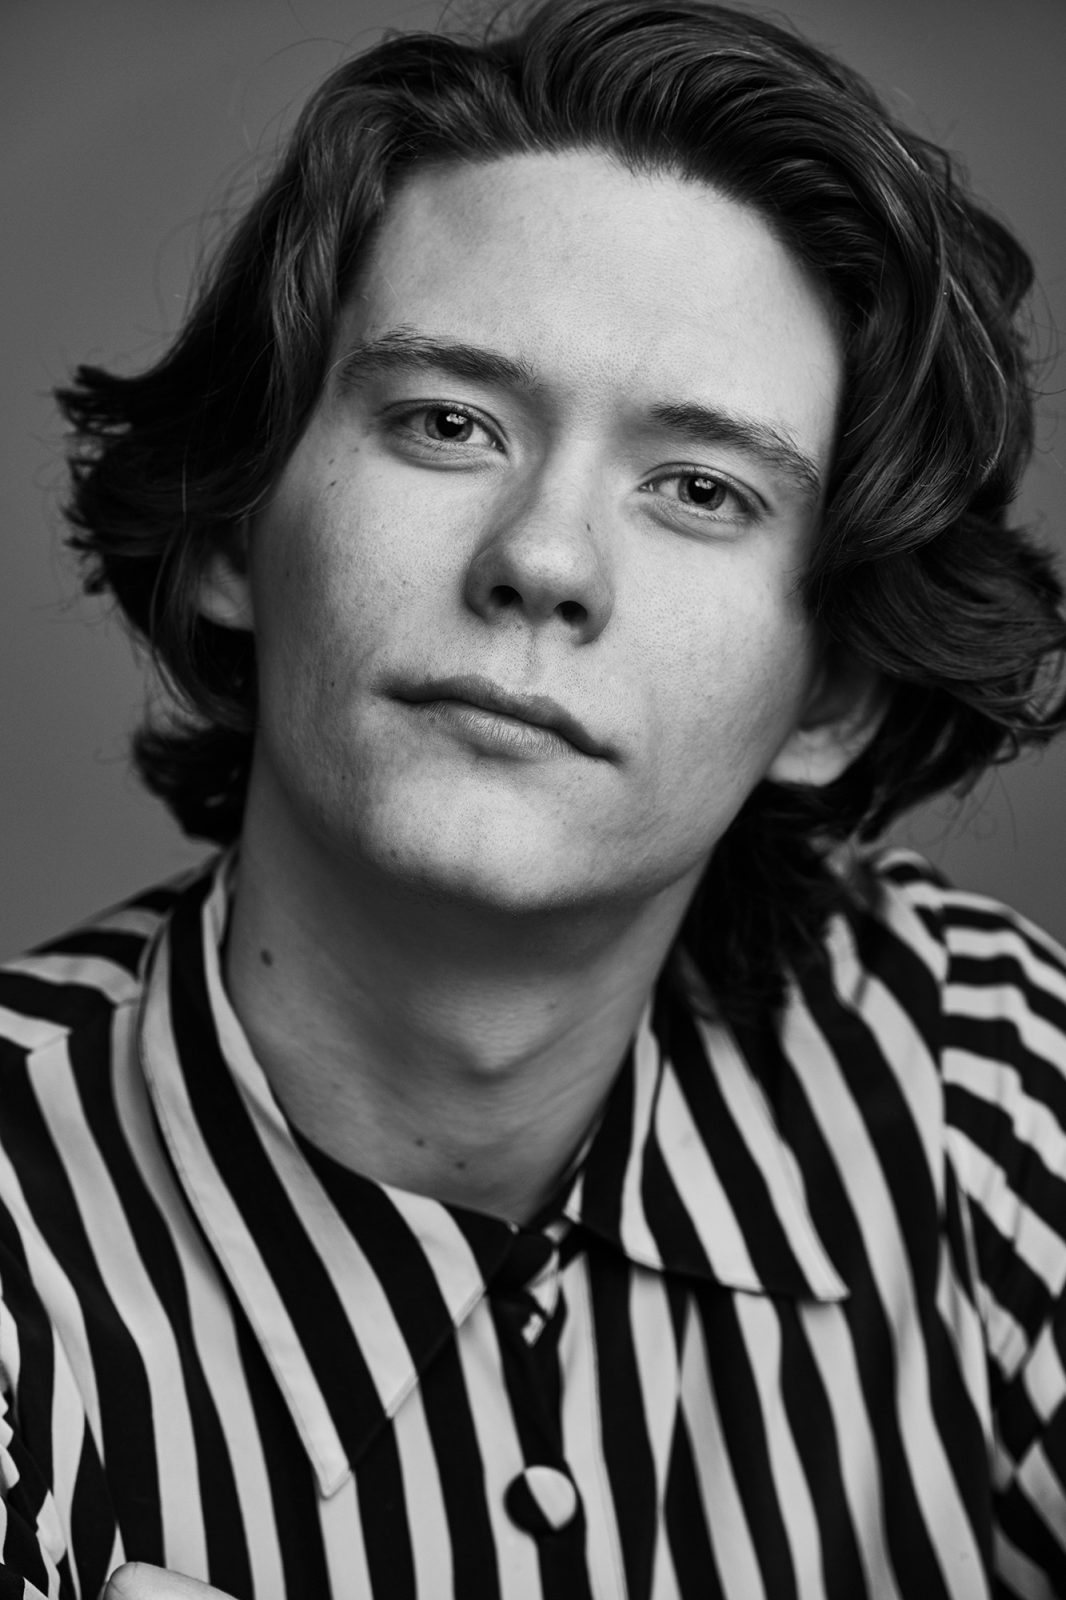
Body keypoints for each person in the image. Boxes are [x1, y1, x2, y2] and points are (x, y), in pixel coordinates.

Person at [3, 0, 1065, 1595]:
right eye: (447, 422)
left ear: (833, 693)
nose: (545, 560)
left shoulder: (982, 1080)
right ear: (232, 526)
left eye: (698, 489)